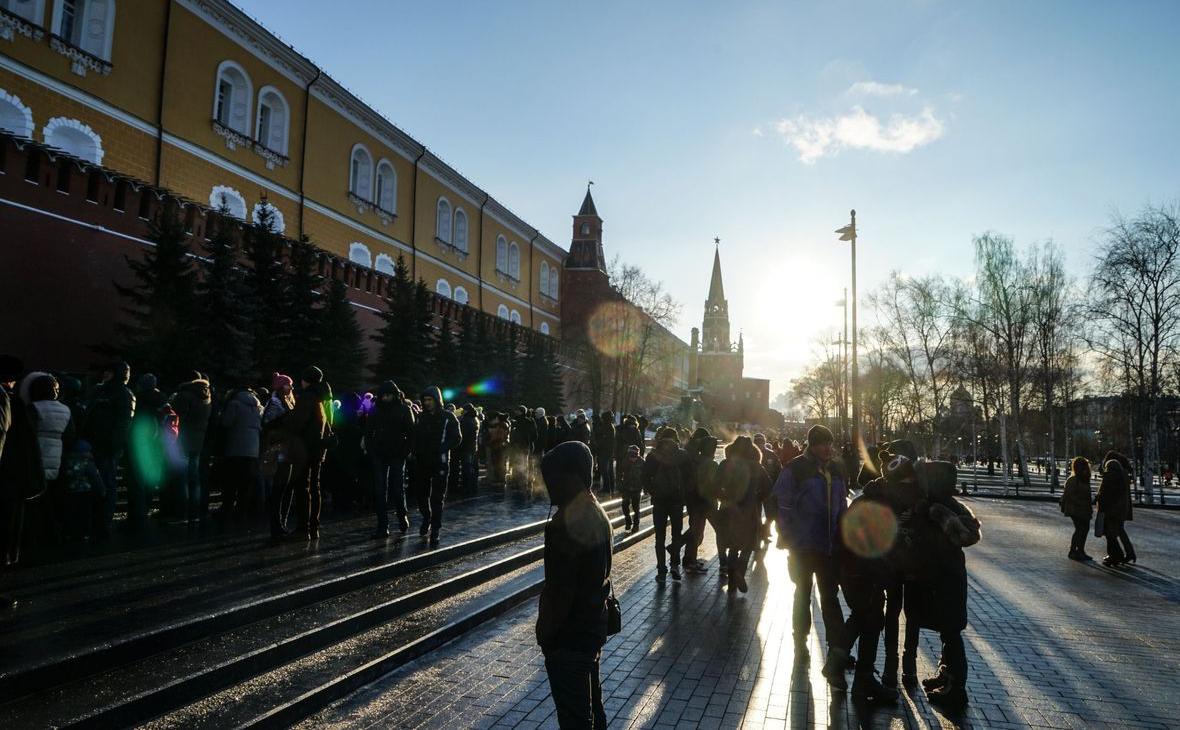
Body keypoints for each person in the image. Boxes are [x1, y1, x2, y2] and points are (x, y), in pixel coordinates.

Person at [536, 441, 612, 730]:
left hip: (570, 635)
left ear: (569, 476)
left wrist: (547, 633)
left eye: (553, 477)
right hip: (590, 627)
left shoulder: (567, 522)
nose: (548, 485)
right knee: (592, 710)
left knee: (575, 719)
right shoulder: (593, 509)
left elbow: (561, 588)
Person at [774, 424, 848, 688]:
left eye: (829, 443)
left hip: (829, 546)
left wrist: (844, 534)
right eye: (821, 443)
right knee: (803, 593)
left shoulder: (837, 469)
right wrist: (788, 535)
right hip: (803, 546)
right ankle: (800, 641)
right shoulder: (795, 468)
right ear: (811, 445)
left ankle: (836, 652)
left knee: (830, 597)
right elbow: (783, 505)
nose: (827, 448)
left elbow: (842, 504)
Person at [84, 362, 134, 537]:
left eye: (109, 371)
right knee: (101, 483)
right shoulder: (101, 390)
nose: (105, 373)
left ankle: (103, 521)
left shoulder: (122, 393)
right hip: (96, 443)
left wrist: (115, 446)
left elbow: (123, 423)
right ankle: (98, 520)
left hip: (106, 446)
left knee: (107, 483)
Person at [715, 436, 769, 593]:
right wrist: (757, 498)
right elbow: (768, 488)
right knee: (748, 546)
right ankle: (740, 571)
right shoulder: (757, 467)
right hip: (750, 512)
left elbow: (715, 485)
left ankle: (732, 582)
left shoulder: (726, 464)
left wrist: (725, 498)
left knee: (732, 546)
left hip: (728, 510)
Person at [411, 386, 461, 546]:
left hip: (440, 462)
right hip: (422, 462)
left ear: (436, 400)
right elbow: (414, 436)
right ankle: (427, 517)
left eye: (430, 400)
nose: (427, 403)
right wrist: (414, 451)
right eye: (425, 400)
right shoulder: (420, 417)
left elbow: (457, 437)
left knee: (437, 498)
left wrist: (443, 447)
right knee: (421, 495)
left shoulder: (448, 417)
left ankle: (436, 530)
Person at [365, 380, 415, 537]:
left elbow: (411, 433)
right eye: (383, 395)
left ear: (394, 395)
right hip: (379, 454)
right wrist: (372, 450)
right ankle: (382, 525)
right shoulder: (375, 410)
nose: (386, 398)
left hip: (397, 455)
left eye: (389, 395)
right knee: (380, 491)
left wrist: (405, 452)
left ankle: (402, 516)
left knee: (398, 490)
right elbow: (368, 433)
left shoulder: (404, 410)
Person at [643, 426, 688, 582]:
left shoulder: (653, 456)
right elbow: (689, 479)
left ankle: (661, 570)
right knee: (676, 534)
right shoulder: (682, 455)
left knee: (659, 537)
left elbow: (645, 477)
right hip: (676, 502)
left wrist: (653, 492)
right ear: (675, 439)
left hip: (659, 502)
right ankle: (675, 565)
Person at [171, 371, 212, 525]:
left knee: (182, 479)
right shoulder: (207, 396)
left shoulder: (184, 395)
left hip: (183, 440)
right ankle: (195, 513)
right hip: (198, 441)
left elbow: (176, 418)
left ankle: (181, 513)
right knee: (194, 479)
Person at [219, 387, 263, 521]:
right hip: (253, 450)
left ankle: (226, 511)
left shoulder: (234, 404)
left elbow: (226, 423)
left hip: (235, 448)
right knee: (246, 485)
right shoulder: (258, 407)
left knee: (231, 483)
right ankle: (241, 512)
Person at [683, 427, 718, 574]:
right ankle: (689, 560)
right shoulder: (710, 464)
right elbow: (714, 484)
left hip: (693, 499)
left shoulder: (694, 459)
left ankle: (687, 557)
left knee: (695, 529)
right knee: (697, 531)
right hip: (704, 502)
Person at [1096, 457, 1134, 566]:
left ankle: (1115, 556)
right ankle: (1122, 555)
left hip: (1110, 511)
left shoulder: (1109, 477)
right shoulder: (1122, 477)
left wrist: (1098, 499)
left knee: (1110, 535)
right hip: (1120, 511)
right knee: (1114, 533)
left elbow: (1104, 494)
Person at [1060, 457, 1093, 561]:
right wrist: (1081, 502)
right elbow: (1070, 496)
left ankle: (1080, 550)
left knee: (1084, 529)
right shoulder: (1073, 480)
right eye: (1083, 466)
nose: (1086, 469)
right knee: (1080, 529)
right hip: (1075, 509)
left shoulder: (1084, 479)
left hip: (1084, 509)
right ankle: (1073, 551)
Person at [618, 444, 644, 532]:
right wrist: (620, 485)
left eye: (635, 456)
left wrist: (645, 487)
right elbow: (619, 473)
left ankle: (636, 525)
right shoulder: (625, 461)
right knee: (624, 505)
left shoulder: (642, 462)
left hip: (637, 488)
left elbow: (645, 475)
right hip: (626, 487)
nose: (633, 458)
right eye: (631, 456)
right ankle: (628, 521)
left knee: (636, 507)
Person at [592, 411, 616, 494]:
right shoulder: (609, 426)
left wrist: (599, 441)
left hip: (605, 452)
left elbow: (603, 440)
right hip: (607, 451)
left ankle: (607, 488)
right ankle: (610, 487)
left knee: (605, 471)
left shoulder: (607, 427)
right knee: (608, 471)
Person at [459, 404, 481, 494]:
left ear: (467, 410)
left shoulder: (466, 420)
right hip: (473, 446)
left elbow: (463, 435)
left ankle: (467, 487)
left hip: (466, 446)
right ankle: (473, 486)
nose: (462, 411)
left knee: (467, 467)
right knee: (473, 467)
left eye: (463, 409)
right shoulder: (475, 419)